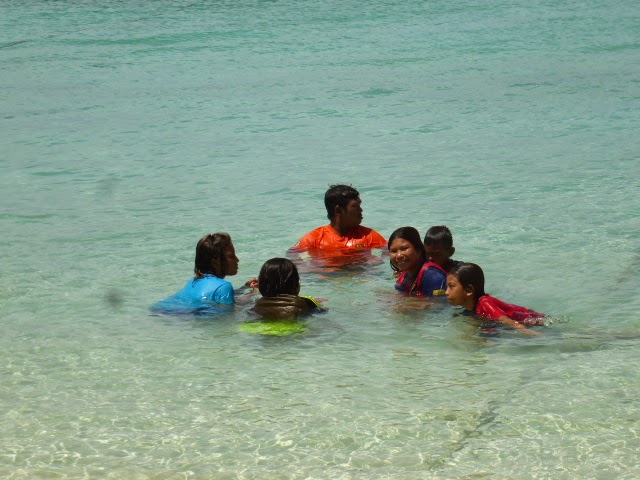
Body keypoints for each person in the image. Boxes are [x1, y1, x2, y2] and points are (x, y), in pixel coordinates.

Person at [151, 233, 255, 314]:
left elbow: (214, 296)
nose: (237, 260)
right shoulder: (224, 286)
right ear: (215, 262)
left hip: (162, 310)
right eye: (231, 256)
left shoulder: (195, 280)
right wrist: (252, 295)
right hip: (183, 317)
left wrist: (245, 288)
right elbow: (228, 315)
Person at [445, 263, 545, 335]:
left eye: (451, 286)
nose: (446, 292)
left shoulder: (485, 303)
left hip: (534, 321)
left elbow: (507, 321)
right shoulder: (471, 308)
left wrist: (535, 335)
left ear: (469, 290)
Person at [292, 184, 386, 253]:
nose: (361, 210)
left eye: (359, 205)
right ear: (338, 210)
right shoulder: (315, 238)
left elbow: (389, 251)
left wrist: (376, 263)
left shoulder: (368, 235)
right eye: (355, 206)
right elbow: (293, 255)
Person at [252, 258, 322, 319]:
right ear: (296, 283)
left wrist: (253, 291)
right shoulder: (308, 303)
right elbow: (322, 312)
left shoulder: (255, 306)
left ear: (261, 285)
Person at [421, 225, 463, 296]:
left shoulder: (459, 271)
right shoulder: (422, 267)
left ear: (451, 252)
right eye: (427, 253)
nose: (430, 258)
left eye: (436, 254)